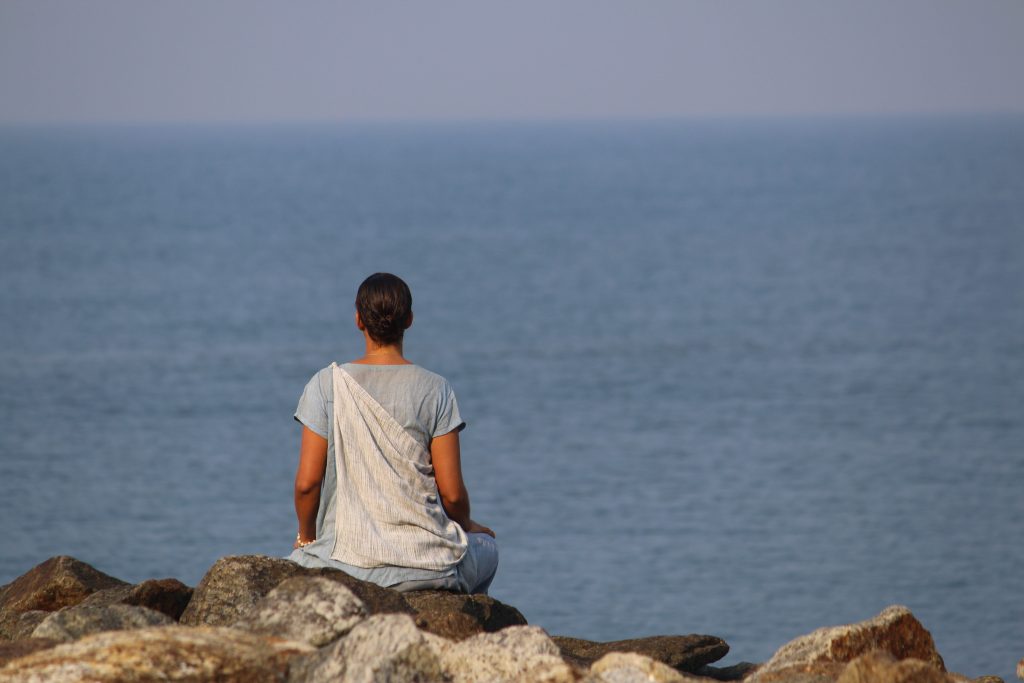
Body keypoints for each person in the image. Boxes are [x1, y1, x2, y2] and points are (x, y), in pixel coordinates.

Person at [287, 272, 498, 594]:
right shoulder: (436, 389)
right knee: (488, 548)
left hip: (345, 562)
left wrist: (307, 538)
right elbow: (453, 495)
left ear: (359, 320)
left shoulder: (326, 385)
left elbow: (307, 484)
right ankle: (466, 618)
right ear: (409, 319)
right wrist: (467, 525)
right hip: (426, 564)